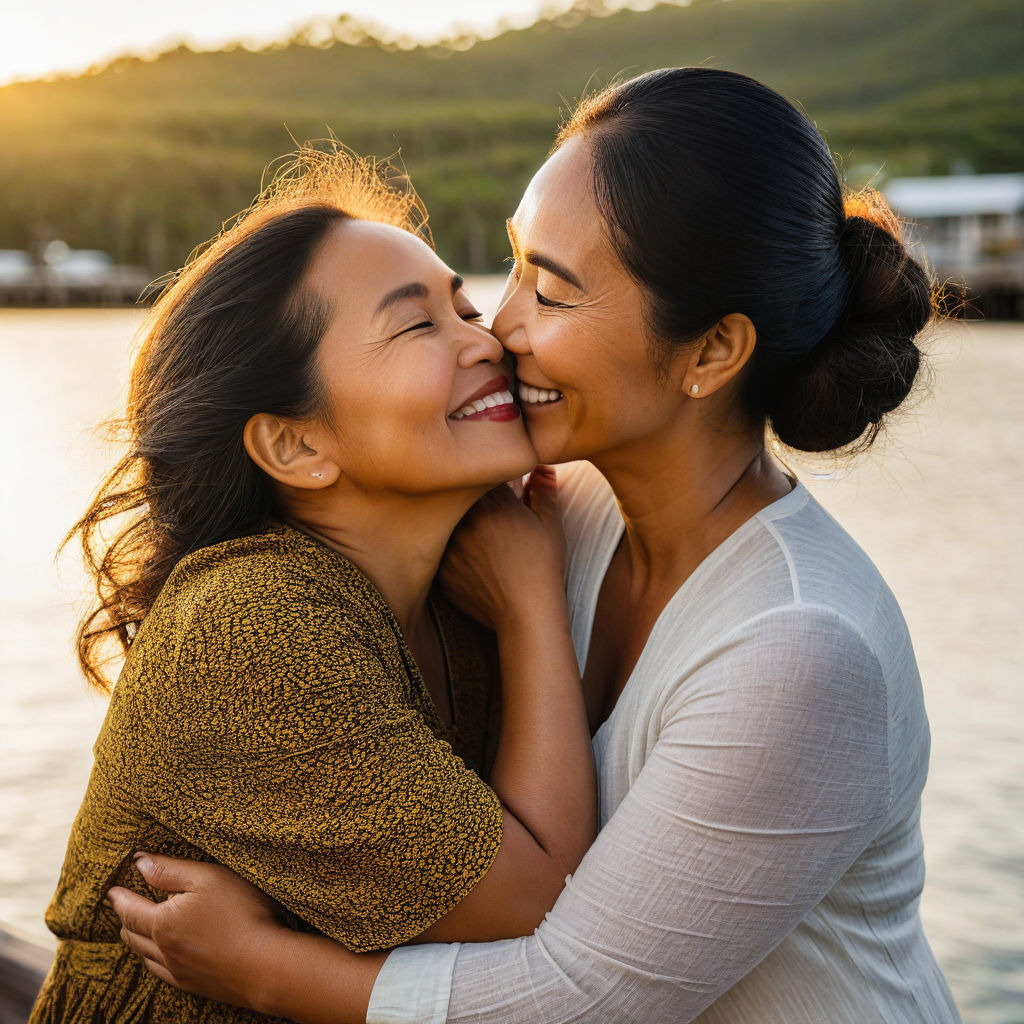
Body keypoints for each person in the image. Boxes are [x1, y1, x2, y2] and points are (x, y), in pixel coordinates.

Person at [108, 68, 962, 1022]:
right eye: (512, 267)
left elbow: (576, 1000)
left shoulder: (800, 643)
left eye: (549, 293)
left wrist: (259, 966)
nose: (498, 326)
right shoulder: (559, 509)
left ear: (712, 354)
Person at [29, 146, 599, 1023]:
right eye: (418, 327)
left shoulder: (446, 589)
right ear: (296, 446)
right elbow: (536, 903)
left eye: (466, 307)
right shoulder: (247, 630)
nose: (486, 342)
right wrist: (531, 605)